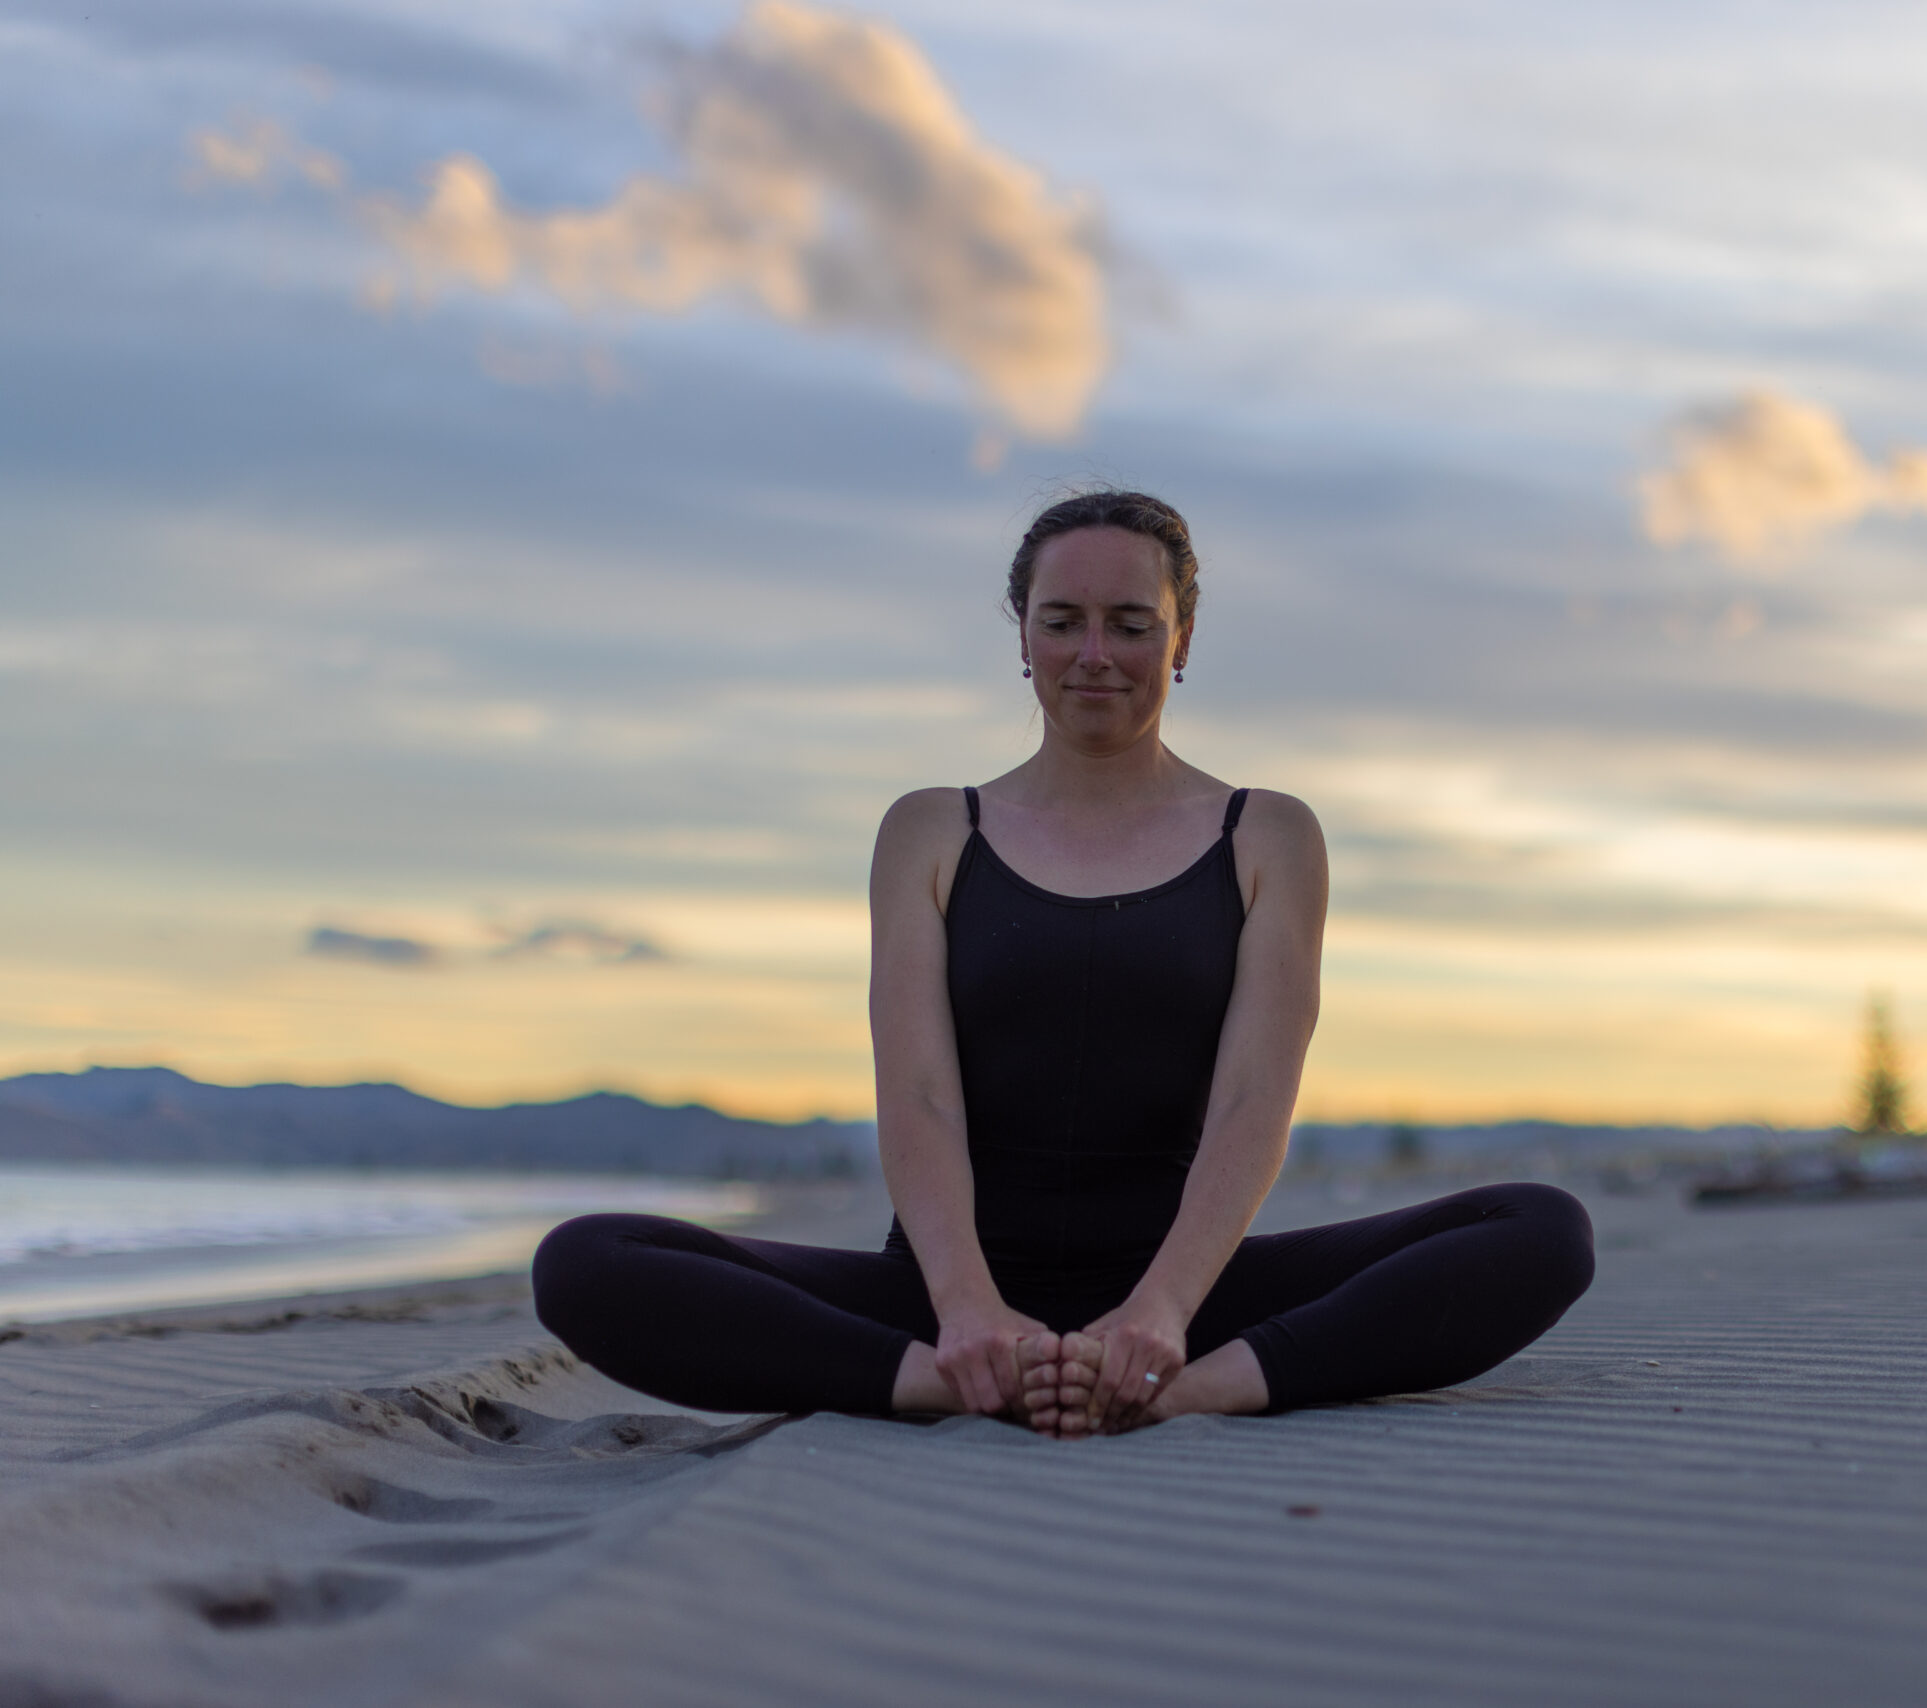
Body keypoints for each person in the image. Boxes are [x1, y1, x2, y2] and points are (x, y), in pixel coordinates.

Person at [533, 491, 1594, 1436]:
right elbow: (916, 1096)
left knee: (1541, 1231)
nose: (1094, 653)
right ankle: (950, 1382)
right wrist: (967, 1316)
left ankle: (1194, 1389)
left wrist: (1162, 1316)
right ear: (1023, 638)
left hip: (1188, 1292)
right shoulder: (930, 830)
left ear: (1179, 640)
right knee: (586, 1262)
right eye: (1063, 621)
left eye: (1131, 625)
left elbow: (1251, 1105)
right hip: (946, 1298)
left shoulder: (1268, 836)